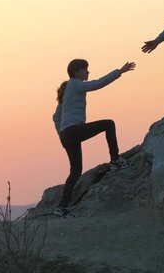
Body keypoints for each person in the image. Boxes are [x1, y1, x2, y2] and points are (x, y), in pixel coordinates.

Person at [52, 59, 136, 218]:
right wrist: (120, 71)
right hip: (73, 130)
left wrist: (62, 135)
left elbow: (56, 117)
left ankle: (62, 207)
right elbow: (97, 84)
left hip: (67, 134)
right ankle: (115, 160)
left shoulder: (67, 89)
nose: (88, 72)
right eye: (85, 69)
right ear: (76, 71)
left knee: (76, 171)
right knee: (109, 124)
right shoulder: (75, 84)